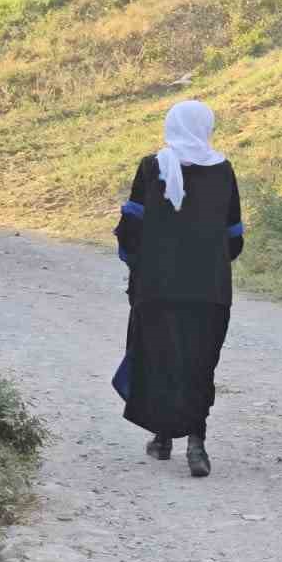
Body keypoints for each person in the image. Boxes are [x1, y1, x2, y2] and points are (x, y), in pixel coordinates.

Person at [114, 100, 244, 478]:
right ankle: (197, 442)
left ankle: (163, 437)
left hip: (158, 288)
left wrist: (136, 265)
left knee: (161, 359)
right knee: (199, 364)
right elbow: (234, 235)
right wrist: (211, 263)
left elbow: (131, 226)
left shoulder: (152, 167)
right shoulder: (223, 170)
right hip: (210, 291)